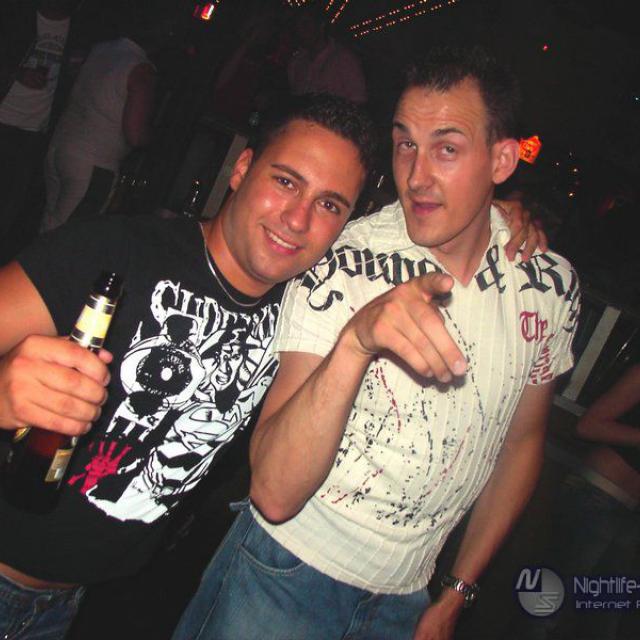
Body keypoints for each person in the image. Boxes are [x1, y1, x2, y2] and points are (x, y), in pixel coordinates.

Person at [0, 92, 539, 638]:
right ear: (241, 169)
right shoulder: (117, 251)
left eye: (330, 205)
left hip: (78, 603)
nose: (298, 219)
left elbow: (426, 221)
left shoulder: (305, 307)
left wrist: (495, 214)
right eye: (285, 181)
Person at [172, 47, 580, 640]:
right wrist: (358, 339)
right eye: (405, 143)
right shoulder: (341, 258)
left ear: (501, 159)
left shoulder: (547, 285)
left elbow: (521, 443)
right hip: (283, 574)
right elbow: (274, 492)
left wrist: (457, 594)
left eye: (446, 148)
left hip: (410, 600)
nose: (416, 175)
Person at [518, 362, 640, 640]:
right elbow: (588, 425)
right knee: (545, 612)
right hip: (598, 497)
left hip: (629, 516)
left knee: (602, 622)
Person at [40, 9, 165, 232]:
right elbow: (135, 134)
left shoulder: (100, 49)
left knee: (50, 226)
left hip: (60, 147)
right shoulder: (141, 69)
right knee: (70, 237)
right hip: (93, 164)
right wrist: (157, 137)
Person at [0, 0, 80, 256]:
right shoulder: (16, 18)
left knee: (11, 203)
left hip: (36, 132)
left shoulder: (78, 33)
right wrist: (17, 72)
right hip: (4, 119)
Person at [287, 4, 367, 104]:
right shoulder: (296, 62)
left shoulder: (344, 59)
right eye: (297, 26)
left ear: (321, 25)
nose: (301, 31)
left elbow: (359, 101)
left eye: (306, 24)